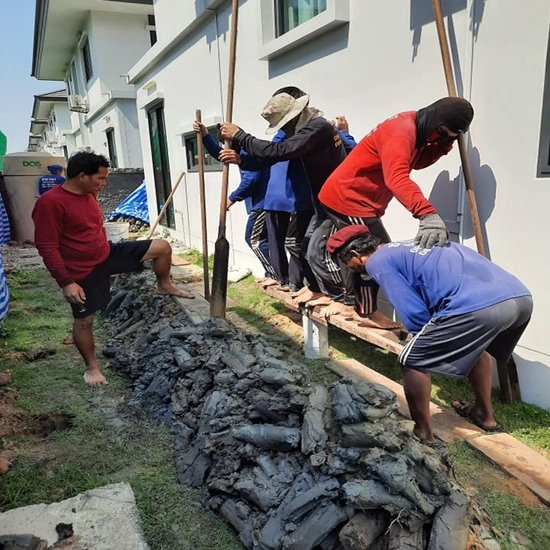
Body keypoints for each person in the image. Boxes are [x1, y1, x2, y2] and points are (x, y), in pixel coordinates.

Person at [329, 225, 533, 442]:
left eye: (347, 264)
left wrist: (420, 338)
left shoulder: (378, 262)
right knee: (474, 347)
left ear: (355, 255)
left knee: (413, 361)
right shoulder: (412, 246)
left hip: (478, 307)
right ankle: (484, 415)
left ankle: (423, 433)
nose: (350, 269)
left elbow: (411, 309)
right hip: (520, 299)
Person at [32, 151, 194, 387]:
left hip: (106, 253)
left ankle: (164, 285)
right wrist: (66, 282)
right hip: (82, 271)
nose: (104, 184)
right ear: (81, 176)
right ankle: (92, 367)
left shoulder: (89, 194)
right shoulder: (50, 204)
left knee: (162, 247)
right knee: (85, 321)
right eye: (100, 179)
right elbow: (47, 246)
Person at [310, 97, 475, 328]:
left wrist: (444, 145)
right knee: (378, 256)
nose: (442, 138)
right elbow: (396, 177)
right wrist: (426, 214)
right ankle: (363, 311)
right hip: (350, 199)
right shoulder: (401, 132)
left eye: (449, 136)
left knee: (362, 254)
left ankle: (355, 306)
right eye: (442, 133)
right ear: (433, 120)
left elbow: (416, 162)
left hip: (350, 196)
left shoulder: (416, 129)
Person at [219, 87, 347, 305]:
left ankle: (340, 297)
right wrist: (241, 159)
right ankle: (317, 290)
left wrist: (240, 136)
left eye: (286, 123)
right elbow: (271, 157)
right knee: (300, 245)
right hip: (322, 201)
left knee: (318, 249)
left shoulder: (318, 128)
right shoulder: (302, 131)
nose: (285, 128)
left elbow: (279, 152)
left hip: (337, 200)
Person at [193, 121, 277, 284]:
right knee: (264, 240)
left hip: (264, 204)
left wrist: (230, 200)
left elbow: (251, 180)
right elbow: (220, 154)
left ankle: (275, 275)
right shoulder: (238, 150)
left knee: (254, 239)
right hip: (262, 203)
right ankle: (276, 273)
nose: (224, 148)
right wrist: (204, 135)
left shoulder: (248, 152)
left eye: (226, 143)